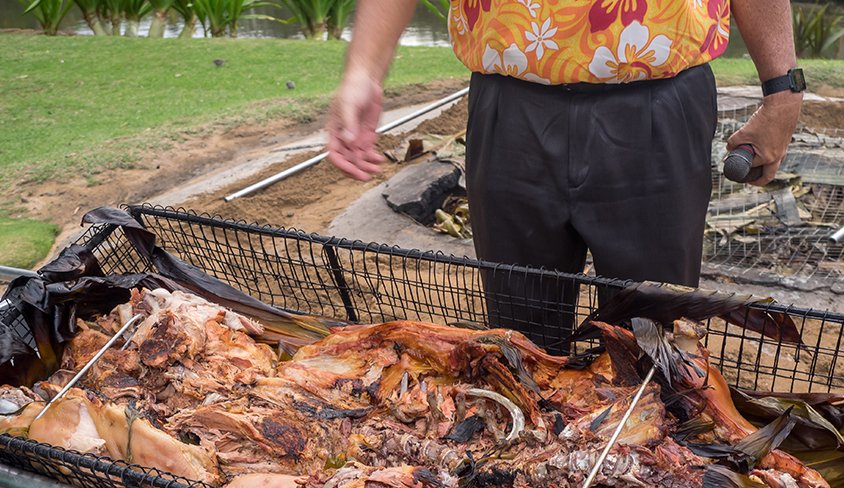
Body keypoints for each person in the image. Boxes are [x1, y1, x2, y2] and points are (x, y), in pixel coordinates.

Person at [326, 1, 805, 350]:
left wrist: (784, 93)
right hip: (510, 105)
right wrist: (363, 69)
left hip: (659, 105)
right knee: (520, 346)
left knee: (652, 347)